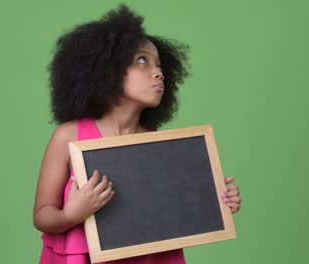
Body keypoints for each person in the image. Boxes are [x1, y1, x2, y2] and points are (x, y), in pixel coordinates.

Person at [33, 5, 241, 264]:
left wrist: (217, 201)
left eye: (159, 65)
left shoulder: (156, 143)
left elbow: (176, 208)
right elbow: (42, 215)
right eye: (141, 60)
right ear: (105, 70)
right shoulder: (68, 136)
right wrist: (72, 215)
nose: (158, 73)